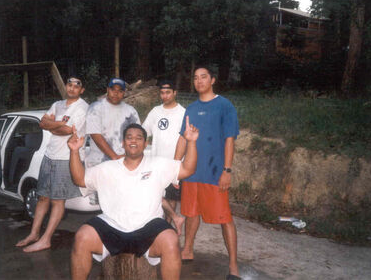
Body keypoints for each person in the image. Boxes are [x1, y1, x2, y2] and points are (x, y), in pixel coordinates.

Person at [68, 121, 199, 280]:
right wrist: (74, 151)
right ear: (123, 143)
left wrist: (191, 142)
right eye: (129, 137)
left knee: (171, 240)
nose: (133, 140)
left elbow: (187, 169)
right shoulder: (107, 168)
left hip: (149, 225)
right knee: (82, 236)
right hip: (112, 224)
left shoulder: (159, 164)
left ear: (145, 143)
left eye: (138, 138)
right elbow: (79, 180)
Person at [174, 66, 241, 279]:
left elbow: (230, 139)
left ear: (212, 80)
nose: (199, 81)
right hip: (192, 172)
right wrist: (175, 168)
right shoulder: (191, 109)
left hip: (214, 173)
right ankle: (187, 248)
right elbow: (183, 139)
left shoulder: (224, 106)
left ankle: (233, 265)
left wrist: (227, 170)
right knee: (191, 213)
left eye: (204, 77)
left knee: (224, 218)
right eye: (195, 78)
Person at [16, 77, 88, 253]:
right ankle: (33, 233)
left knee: (57, 200)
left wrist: (55, 125)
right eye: (69, 85)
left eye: (76, 86)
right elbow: (43, 123)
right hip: (49, 155)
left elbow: (66, 131)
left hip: (66, 158)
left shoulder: (83, 107)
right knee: (42, 197)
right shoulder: (58, 104)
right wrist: (59, 124)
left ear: (82, 90)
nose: (71, 88)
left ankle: (46, 239)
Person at [142, 80, 185, 233]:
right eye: (162, 93)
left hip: (174, 164)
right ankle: (156, 224)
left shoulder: (183, 113)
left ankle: (166, 228)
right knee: (155, 195)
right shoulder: (155, 111)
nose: (165, 96)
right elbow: (144, 131)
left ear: (175, 93)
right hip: (155, 162)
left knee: (172, 198)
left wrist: (178, 163)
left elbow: (185, 139)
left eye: (168, 92)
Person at [85, 78, 140, 168]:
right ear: (107, 90)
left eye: (120, 90)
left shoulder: (131, 111)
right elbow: (96, 136)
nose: (116, 93)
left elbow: (136, 136)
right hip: (98, 163)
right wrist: (115, 157)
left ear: (124, 92)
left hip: (123, 163)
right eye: (113, 89)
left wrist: (130, 157)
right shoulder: (95, 108)